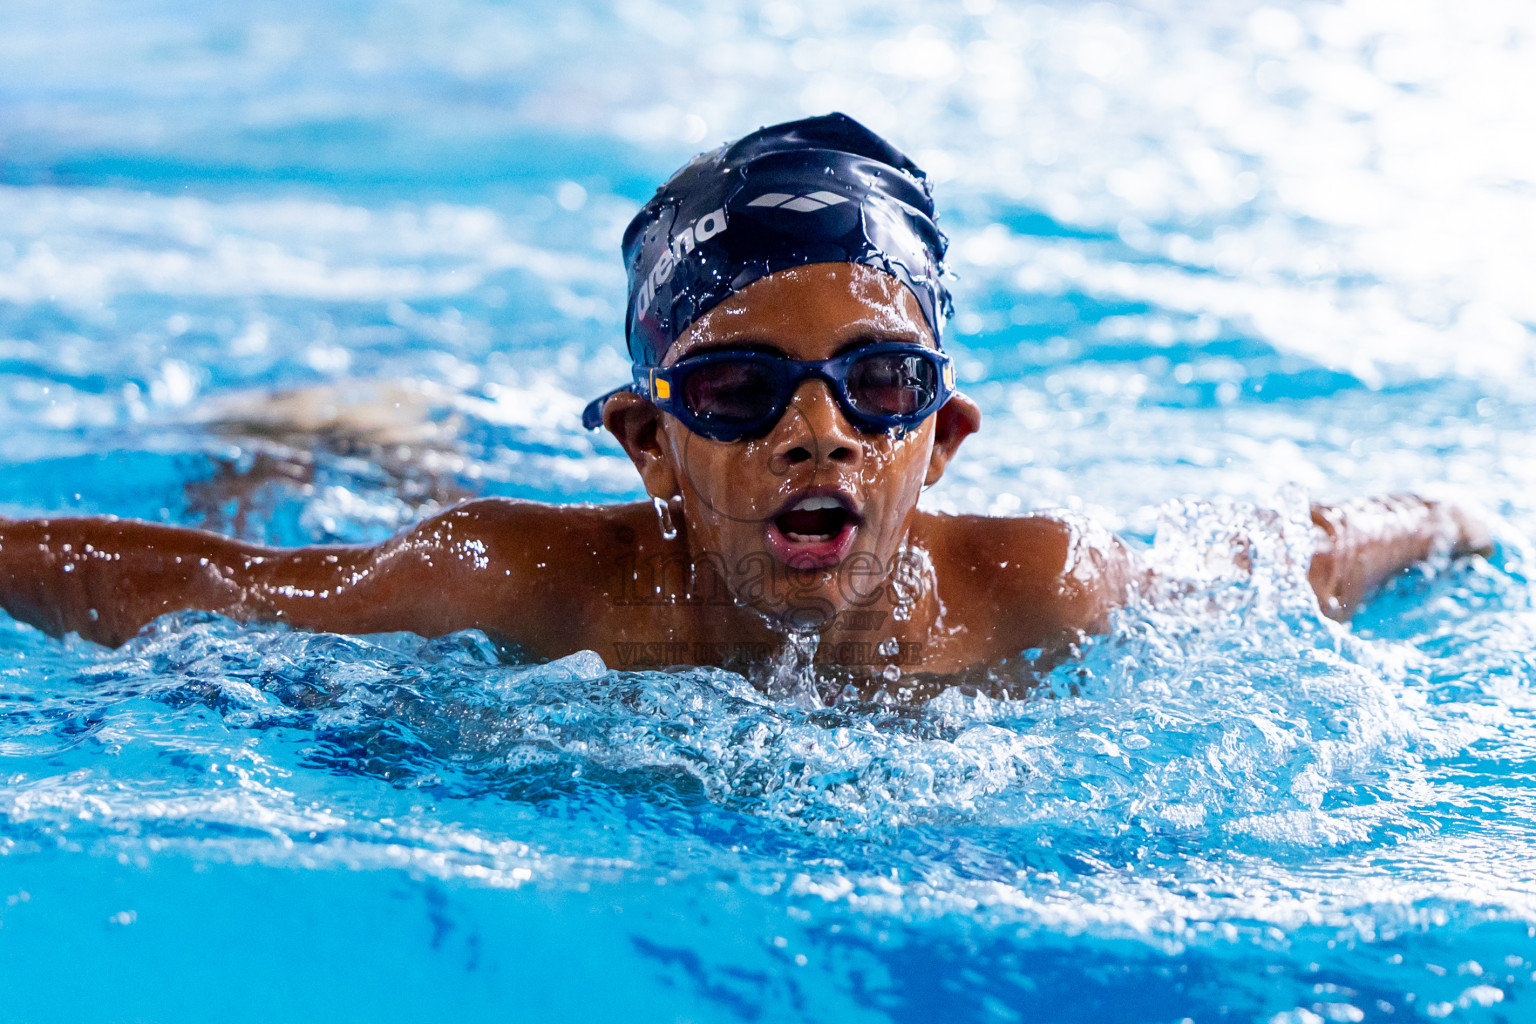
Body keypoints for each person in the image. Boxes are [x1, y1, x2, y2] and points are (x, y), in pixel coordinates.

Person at [0, 114, 1490, 700]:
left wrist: (1447, 514)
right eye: (736, 387)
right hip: (524, 556)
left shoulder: (1042, 589)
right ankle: (347, 431)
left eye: (880, 381)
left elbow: (1280, 565)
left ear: (941, 436)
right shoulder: (532, 585)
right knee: (343, 519)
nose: (817, 429)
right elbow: (223, 590)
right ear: (654, 443)